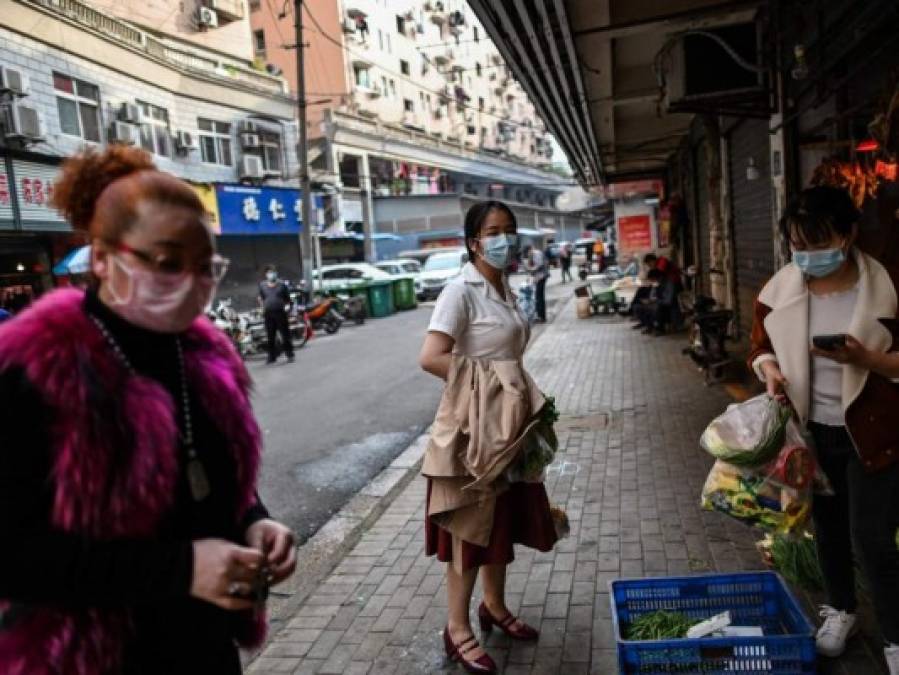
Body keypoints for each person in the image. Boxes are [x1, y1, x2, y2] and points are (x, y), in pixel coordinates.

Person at [0, 146, 297, 674]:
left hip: (205, 644)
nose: (191, 282)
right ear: (101, 258)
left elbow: (208, 469)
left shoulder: (205, 355)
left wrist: (255, 519)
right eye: (166, 263)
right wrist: (179, 569)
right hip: (87, 657)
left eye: (205, 267)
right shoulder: (34, 372)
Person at [749, 186, 899, 674]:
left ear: (849, 233)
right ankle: (842, 612)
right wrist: (769, 371)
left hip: (876, 432)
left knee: (874, 537)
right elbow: (759, 347)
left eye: (819, 242)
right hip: (816, 429)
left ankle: (896, 636)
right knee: (829, 529)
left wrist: (866, 359)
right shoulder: (779, 290)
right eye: (798, 245)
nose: (809, 256)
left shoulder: (888, 285)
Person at [419, 201, 559, 674]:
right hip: (471, 433)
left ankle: (494, 607)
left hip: (510, 429)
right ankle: (457, 629)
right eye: (494, 231)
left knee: (502, 525)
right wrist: (492, 386)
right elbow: (431, 356)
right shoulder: (460, 291)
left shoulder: (505, 288)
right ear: (473, 241)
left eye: (509, 230)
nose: (505, 238)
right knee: (469, 530)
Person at [259, 265, 294, 364]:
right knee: (270, 336)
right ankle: (272, 356)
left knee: (285, 334)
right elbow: (261, 298)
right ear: (266, 274)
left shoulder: (282, 285)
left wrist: (287, 307)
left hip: (280, 312)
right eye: (269, 272)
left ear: (276, 273)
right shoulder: (262, 285)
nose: (271, 274)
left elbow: (287, 299)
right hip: (268, 313)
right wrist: (262, 308)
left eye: (273, 272)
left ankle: (289, 354)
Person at [523, 244, 548, 323]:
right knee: (538, 297)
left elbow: (539, 265)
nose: (528, 255)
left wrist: (531, 269)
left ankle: (542, 317)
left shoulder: (537, 253)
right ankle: (540, 316)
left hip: (542, 277)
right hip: (538, 277)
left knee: (539, 297)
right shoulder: (533, 255)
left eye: (528, 253)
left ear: (530, 250)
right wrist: (530, 275)